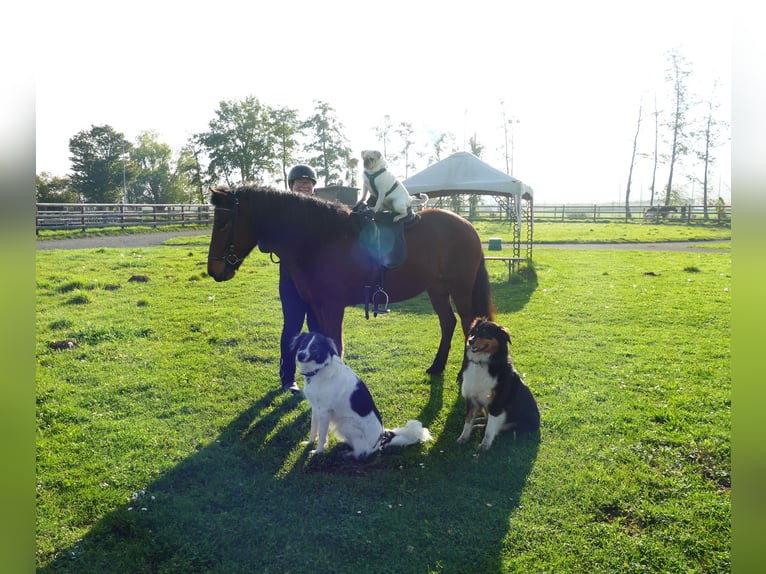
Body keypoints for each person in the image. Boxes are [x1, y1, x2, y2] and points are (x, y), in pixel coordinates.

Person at [278, 164, 321, 393]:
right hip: (291, 281)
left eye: (308, 182)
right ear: (291, 186)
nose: (304, 185)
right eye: (299, 182)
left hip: (318, 282)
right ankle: (288, 378)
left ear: (314, 186)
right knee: (292, 328)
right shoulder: (282, 211)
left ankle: (315, 375)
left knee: (317, 329)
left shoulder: (322, 212)